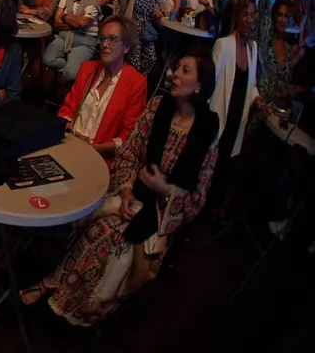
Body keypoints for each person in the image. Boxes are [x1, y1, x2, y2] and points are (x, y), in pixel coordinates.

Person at [21, 53, 219, 325]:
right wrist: (126, 191)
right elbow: (129, 152)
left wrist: (166, 190)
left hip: (159, 215)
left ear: (199, 86)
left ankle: (69, 298)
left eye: (185, 71)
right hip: (129, 193)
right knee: (77, 212)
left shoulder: (206, 130)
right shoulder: (158, 107)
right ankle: (49, 278)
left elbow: (198, 198)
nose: (174, 74)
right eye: (176, 67)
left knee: (106, 235)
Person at [58, 16, 147, 159]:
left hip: (99, 157)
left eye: (113, 39)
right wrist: (69, 129)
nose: (105, 44)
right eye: (103, 38)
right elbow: (68, 110)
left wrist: (93, 148)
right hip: (70, 145)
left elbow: (128, 136)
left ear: (126, 47)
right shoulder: (87, 69)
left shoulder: (136, 83)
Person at [207, 0, 263, 207]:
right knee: (210, 166)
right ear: (237, 17)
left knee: (225, 168)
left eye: (252, 15)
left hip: (239, 118)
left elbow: (252, 85)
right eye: (245, 14)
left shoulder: (253, 48)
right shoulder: (223, 45)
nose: (249, 19)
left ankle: (213, 209)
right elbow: (210, 85)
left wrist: (259, 101)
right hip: (219, 117)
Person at [43, 0, 100, 84]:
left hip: (85, 41)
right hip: (65, 37)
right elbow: (57, 22)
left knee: (70, 74)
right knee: (46, 59)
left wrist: (65, 16)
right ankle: (70, 66)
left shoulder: (93, 0)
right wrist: (73, 21)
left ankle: (72, 72)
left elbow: (81, 23)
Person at [124, 0, 159, 76]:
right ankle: (132, 80)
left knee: (151, 58)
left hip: (145, 29)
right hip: (133, 27)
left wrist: (156, 12)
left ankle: (139, 78)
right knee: (135, 62)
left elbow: (152, 11)